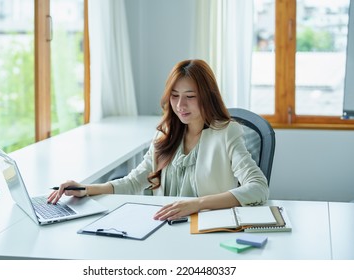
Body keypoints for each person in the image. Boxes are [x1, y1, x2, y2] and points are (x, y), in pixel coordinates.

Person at [48, 59, 269, 221]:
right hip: (164, 227)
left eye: (190, 97)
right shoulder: (166, 134)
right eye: (175, 96)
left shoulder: (227, 133)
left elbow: (258, 188)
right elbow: (134, 182)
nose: (180, 105)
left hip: (208, 229)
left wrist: (197, 204)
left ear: (207, 97)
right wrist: (86, 189)